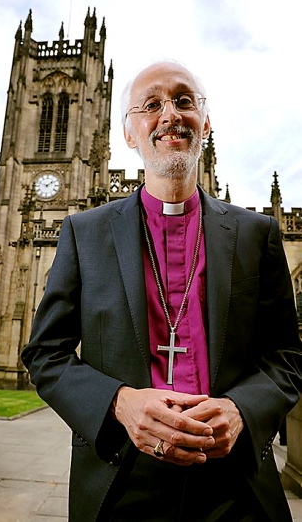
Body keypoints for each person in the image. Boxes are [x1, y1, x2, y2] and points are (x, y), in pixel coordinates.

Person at [21, 60, 302, 521]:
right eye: (151, 105)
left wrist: (241, 411)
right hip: (121, 484)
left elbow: (287, 356)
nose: (170, 113)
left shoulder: (257, 234)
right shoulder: (84, 233)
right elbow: (44, 354)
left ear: (205, 122)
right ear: (129, 133)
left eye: (184, 101)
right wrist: (119, 403)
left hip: (237, 489)